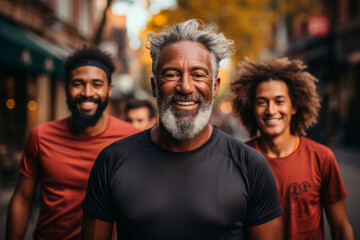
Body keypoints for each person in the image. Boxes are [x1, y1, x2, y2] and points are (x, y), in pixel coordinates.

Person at [81, 19, 284, 240]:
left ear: (215, 87)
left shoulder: (251, 166)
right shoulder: (112, 161)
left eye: (198, 75)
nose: (185, 87)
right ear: (154, 87)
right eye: (171, 74)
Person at [6, 46, 139, 240]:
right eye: (78, 83)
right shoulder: (40, 137)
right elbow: (23, 199)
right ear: (66, 87)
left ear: (109, 90)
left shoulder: (131, 139)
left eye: (96, 84)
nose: (87, 92)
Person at [231, 57, 354, 240]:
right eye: (262, 102)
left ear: (294, 106)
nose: (271, 110)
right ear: (252, 108)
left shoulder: (321, 157)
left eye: (279, 101)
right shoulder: (238, 160)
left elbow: (341, 228)